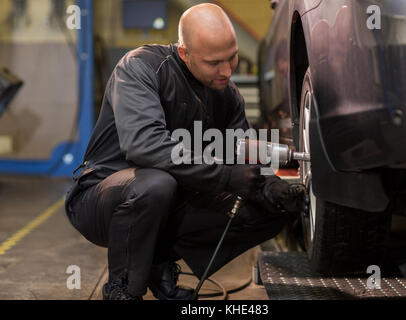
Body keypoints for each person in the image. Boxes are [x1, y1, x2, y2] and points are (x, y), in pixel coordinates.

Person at [64, 3, 302, 300]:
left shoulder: (227, 96)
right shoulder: (140, 68)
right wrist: (225, 177)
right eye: (214, 62)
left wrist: (273, 187)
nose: (227, 71)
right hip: (103, 199)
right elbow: (146, 146)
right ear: (184, 53)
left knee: (268, 206)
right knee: (156, 184)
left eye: (232, 57)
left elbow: (240, 158)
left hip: (168, 200)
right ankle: (123, 290)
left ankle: (155, 261)